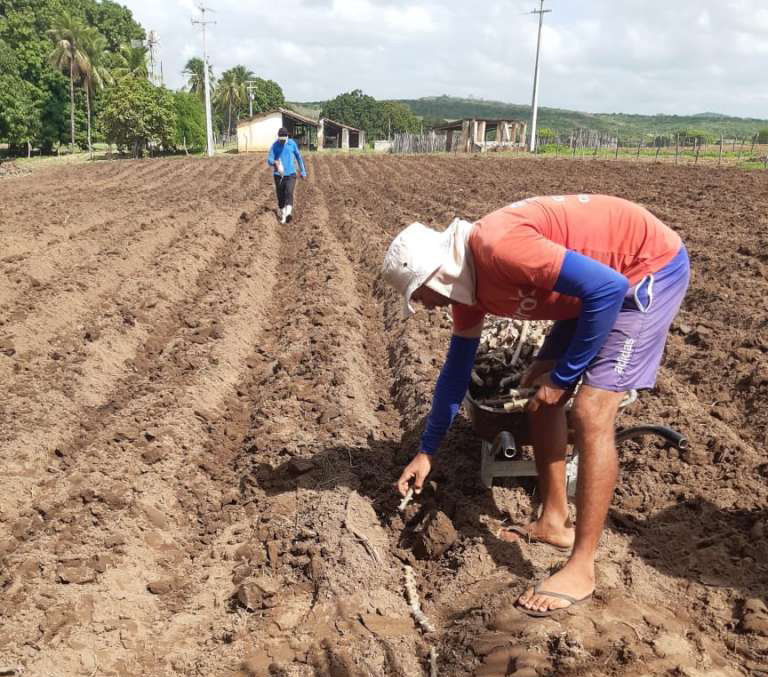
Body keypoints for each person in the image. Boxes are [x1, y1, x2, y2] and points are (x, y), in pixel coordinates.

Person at [380, 194, 689, 617]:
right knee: (538, 396)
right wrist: (426, 451)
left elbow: (609, 288)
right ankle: (554, 520)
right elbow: (456, 373)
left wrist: (564, 378)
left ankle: (581, 568)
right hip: (589, 289)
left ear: (437, 275)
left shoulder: (498, 247)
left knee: (589, 411)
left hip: (643, 269)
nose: (426, 306)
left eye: (421, 295)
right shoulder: (467, 290)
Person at [267, 127, 306, 224]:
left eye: (284, 139)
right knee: (281, 197)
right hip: (278, 175)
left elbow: (298, 157)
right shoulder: (275, 145)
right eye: (281, 139)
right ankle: (283, 214)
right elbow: (269, 159)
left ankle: (288, 214)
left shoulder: (292, 143)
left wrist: (303, 171)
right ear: (278, 137)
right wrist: (275, 162)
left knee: (289, 192)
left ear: (287, 137)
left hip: (291, 174)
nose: (283, 141)